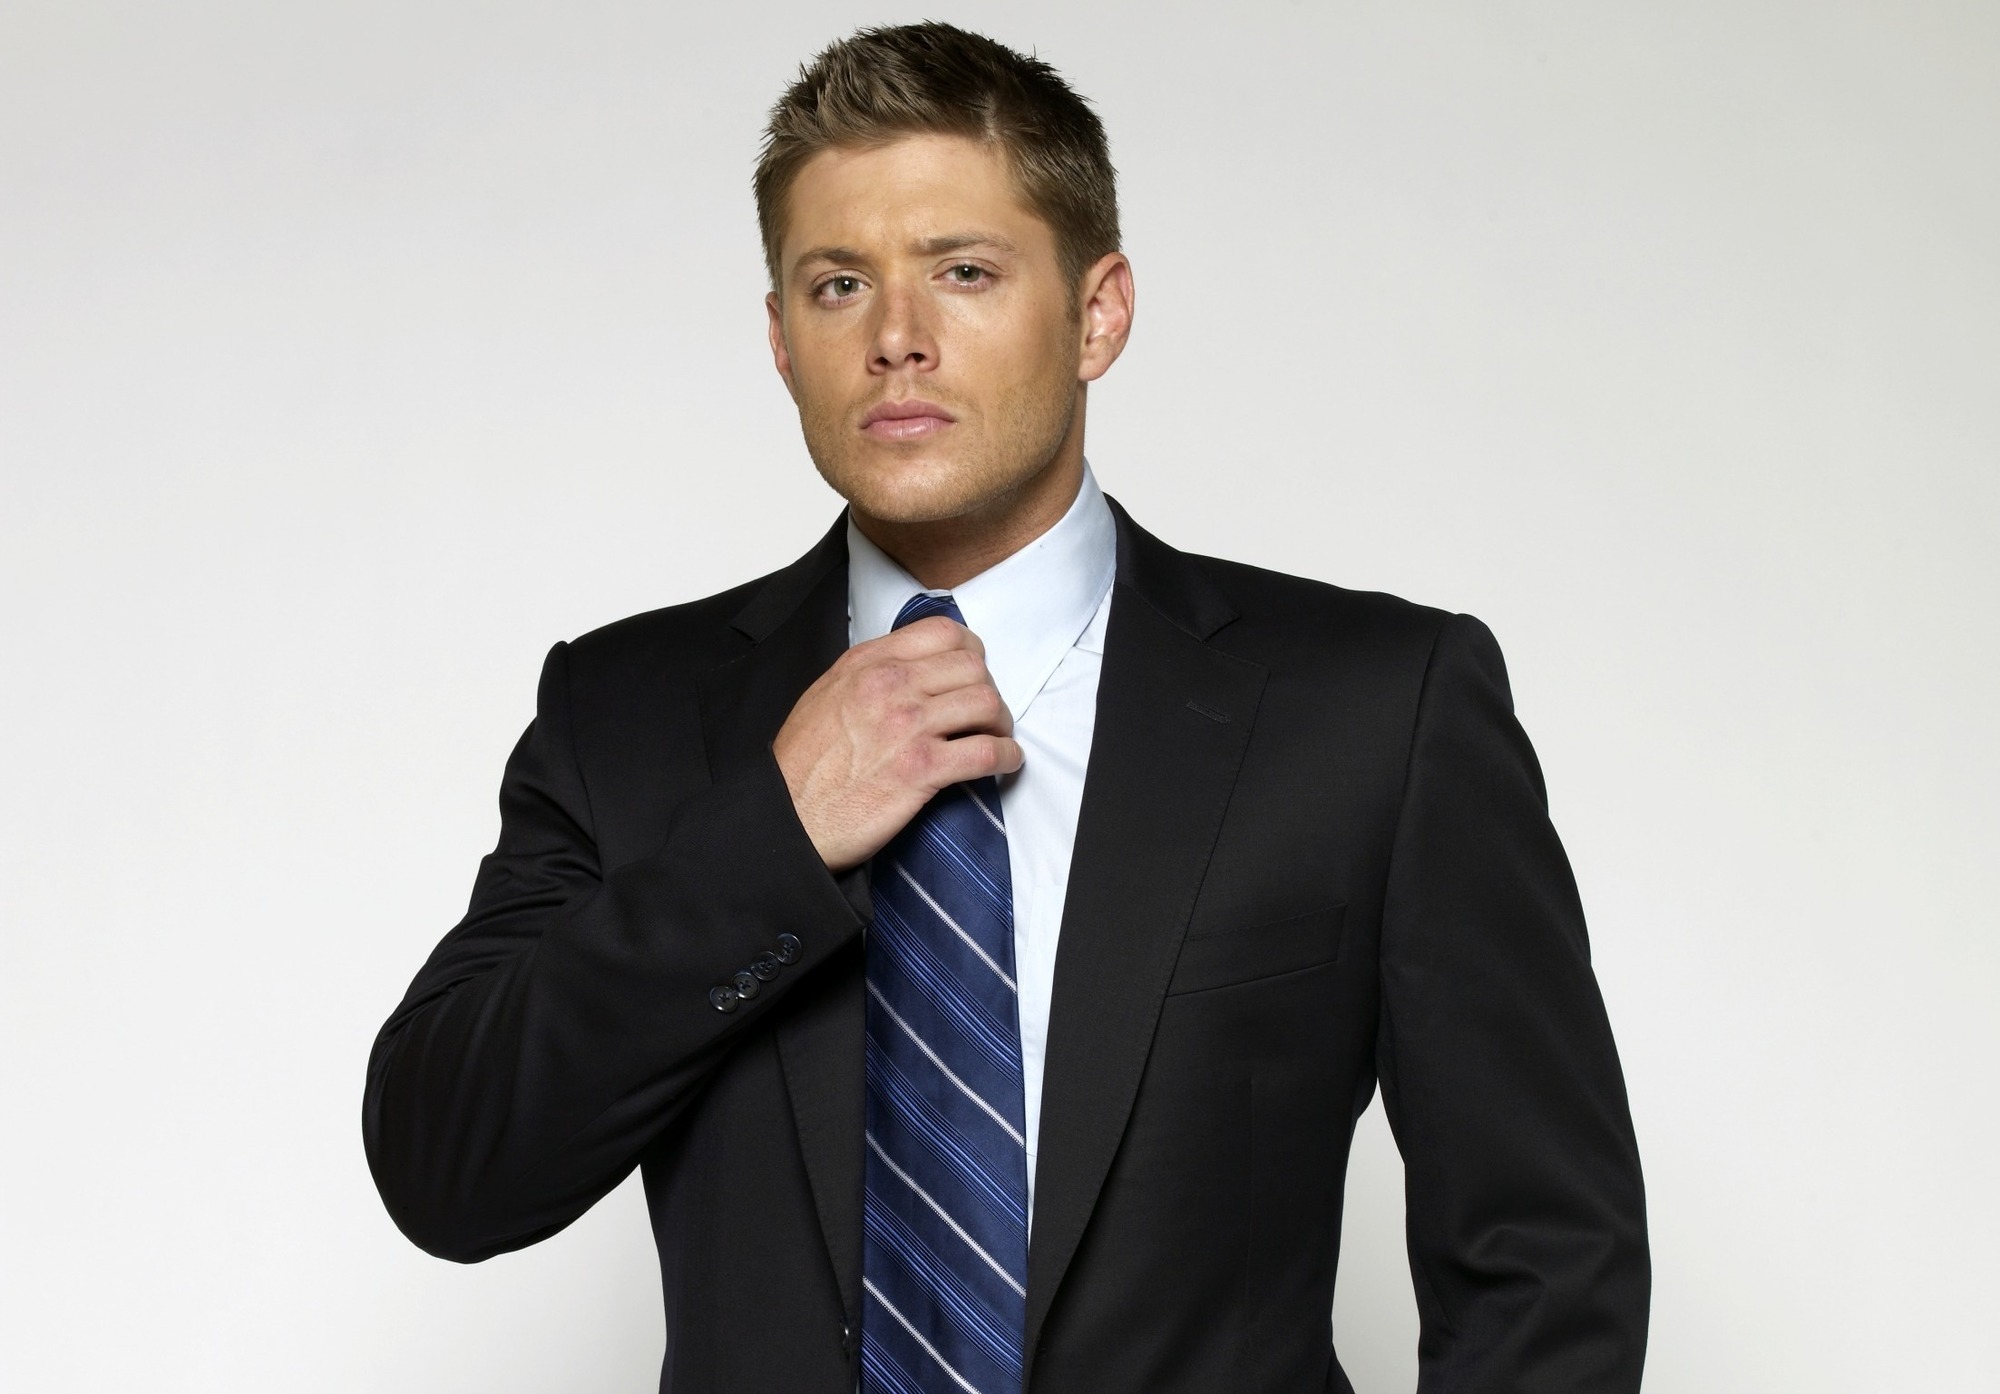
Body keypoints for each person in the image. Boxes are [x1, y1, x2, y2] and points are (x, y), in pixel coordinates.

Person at [363, 21, 1649, 1394]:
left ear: (1099, 315)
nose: (896, 340)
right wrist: (770, 838)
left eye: (964, 273)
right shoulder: (628, 714)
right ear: (781, 338)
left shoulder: (1374, 710)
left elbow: (1545, 1259)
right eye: (838, 284)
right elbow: (448, 1166)